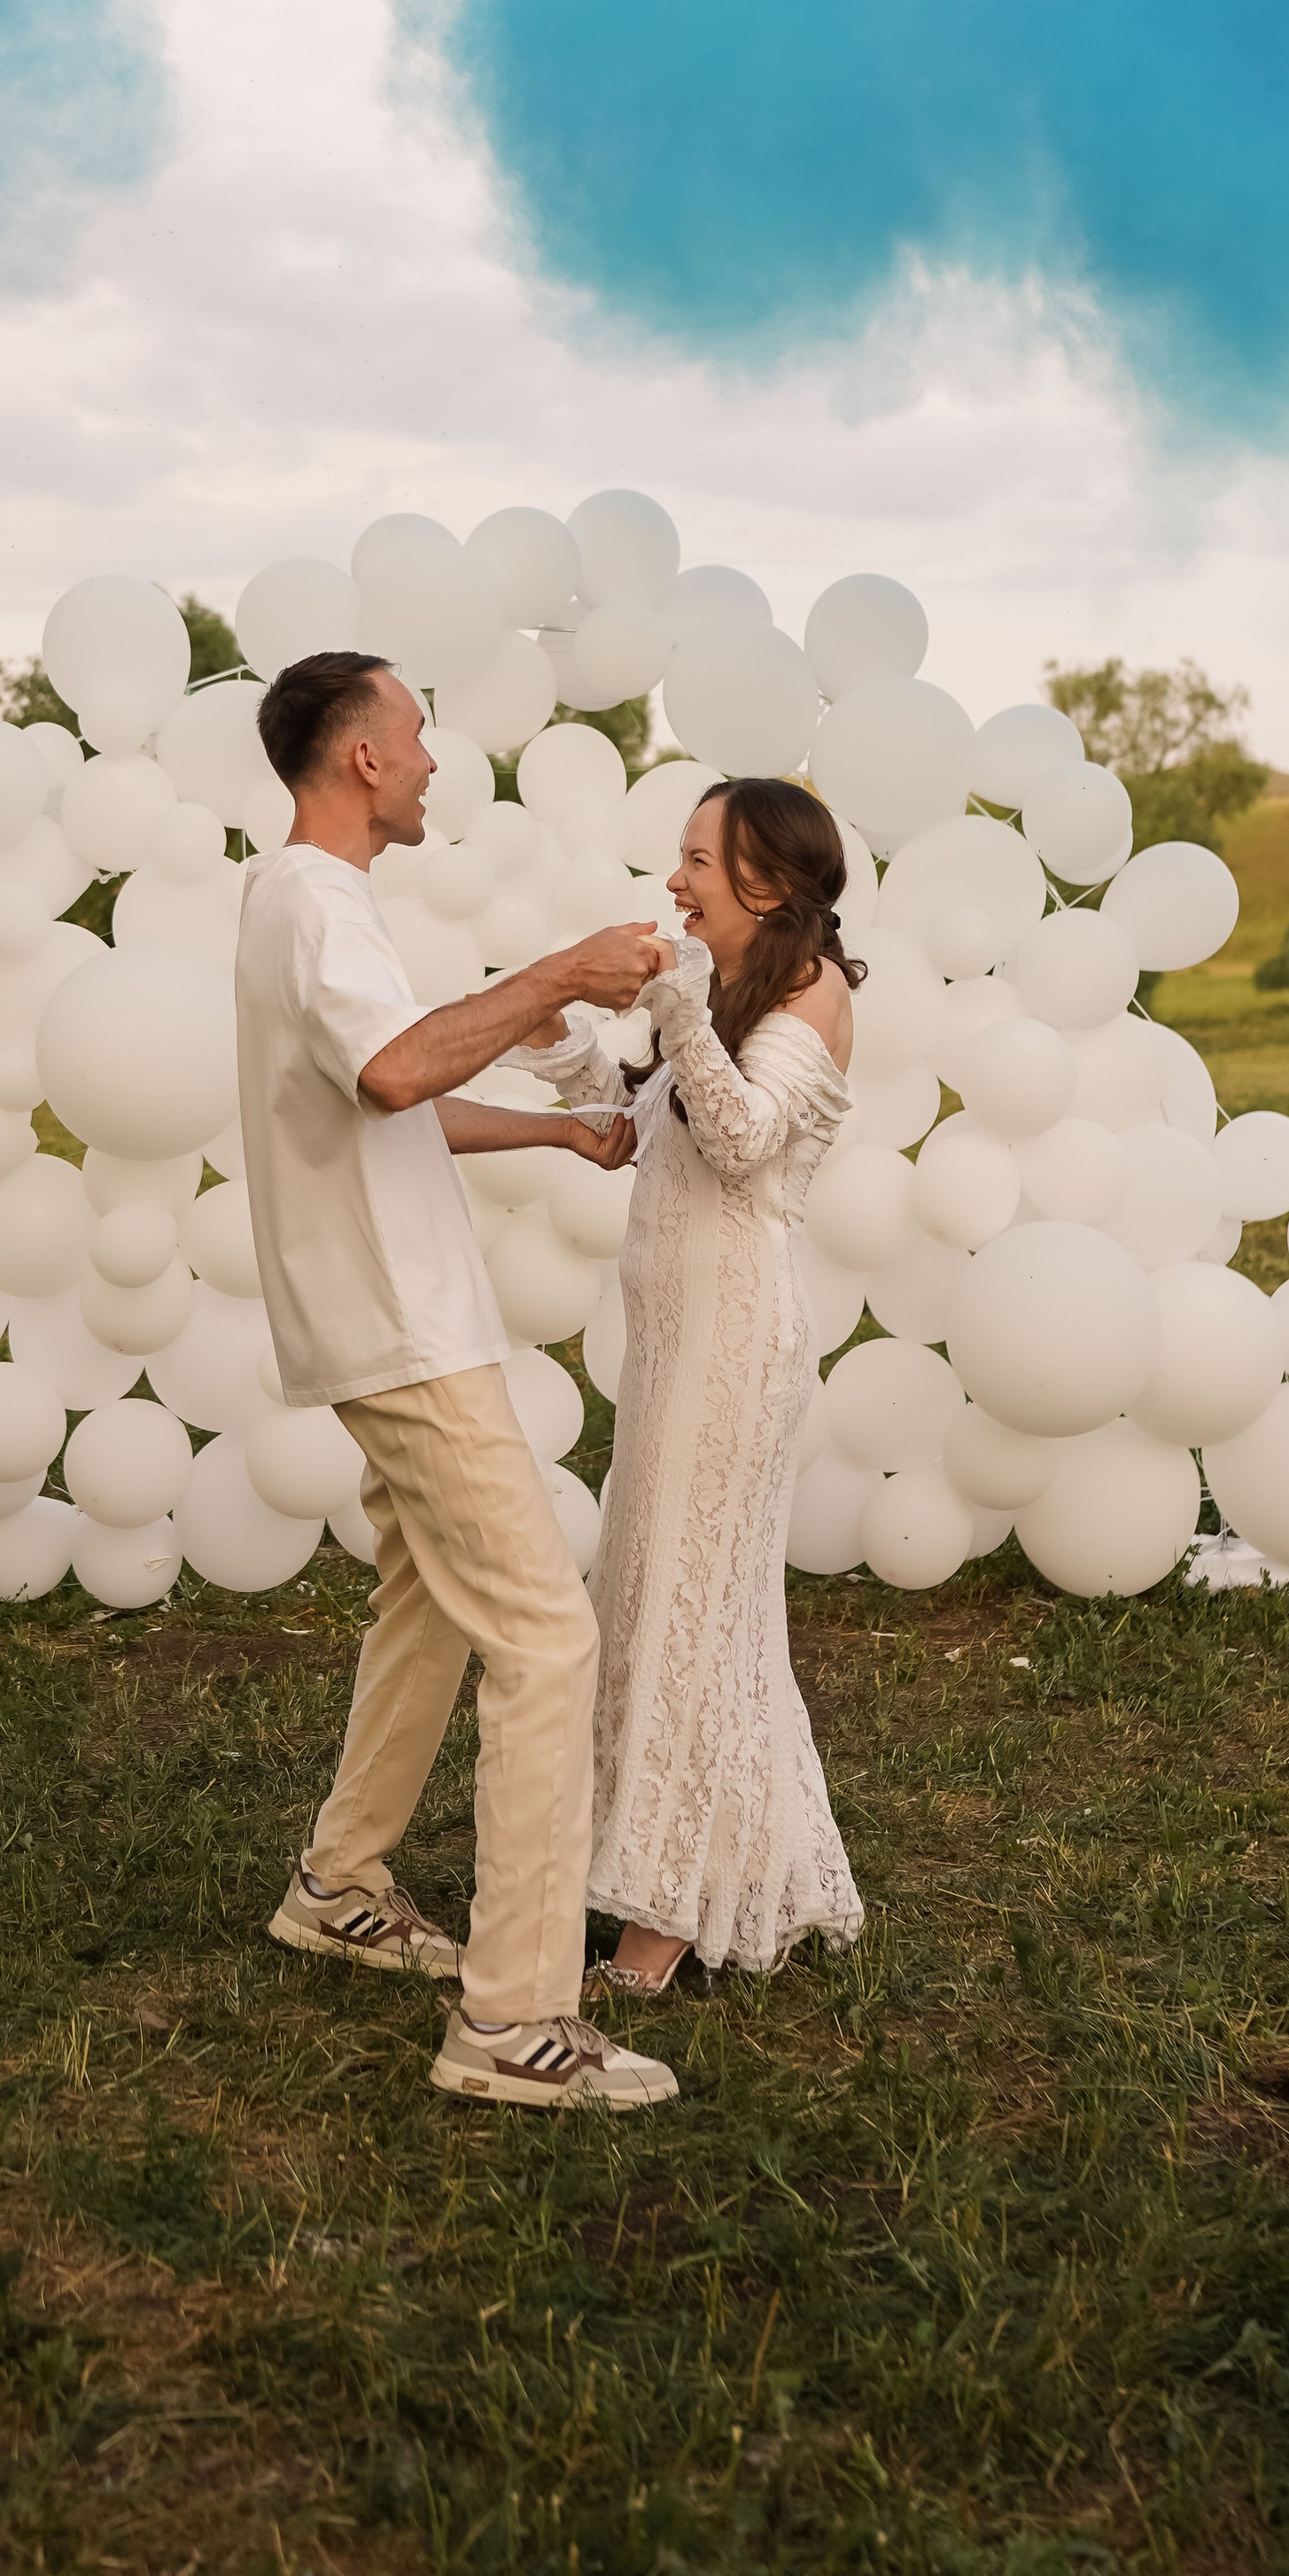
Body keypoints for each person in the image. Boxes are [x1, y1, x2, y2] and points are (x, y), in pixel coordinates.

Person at [235, 648, 679, 2113]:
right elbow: (393, 1075)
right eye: (415, 737)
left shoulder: (311, 904)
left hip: (391, 1312)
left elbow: (392, 1097)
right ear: (361, 758)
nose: (431, 762)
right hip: (400, 1324)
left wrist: (555, 1135)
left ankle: (339, 1879)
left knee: (428, 1593)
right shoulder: (314, 901)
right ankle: (514, 2025)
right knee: (549, 1638)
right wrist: (558, 973)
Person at [516, 777, 866, 1994]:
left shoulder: (813, 995)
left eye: (698, 861)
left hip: (735, 1345)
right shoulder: (728, 994)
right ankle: (695, 1866)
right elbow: (641, 1132)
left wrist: (671, 1004)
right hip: (672, 1345)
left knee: (696, 1610)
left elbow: (743, 1140)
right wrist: (559, 1039)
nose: (676, 881)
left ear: (767, 881)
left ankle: (662, 1921)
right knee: (657, 1596)